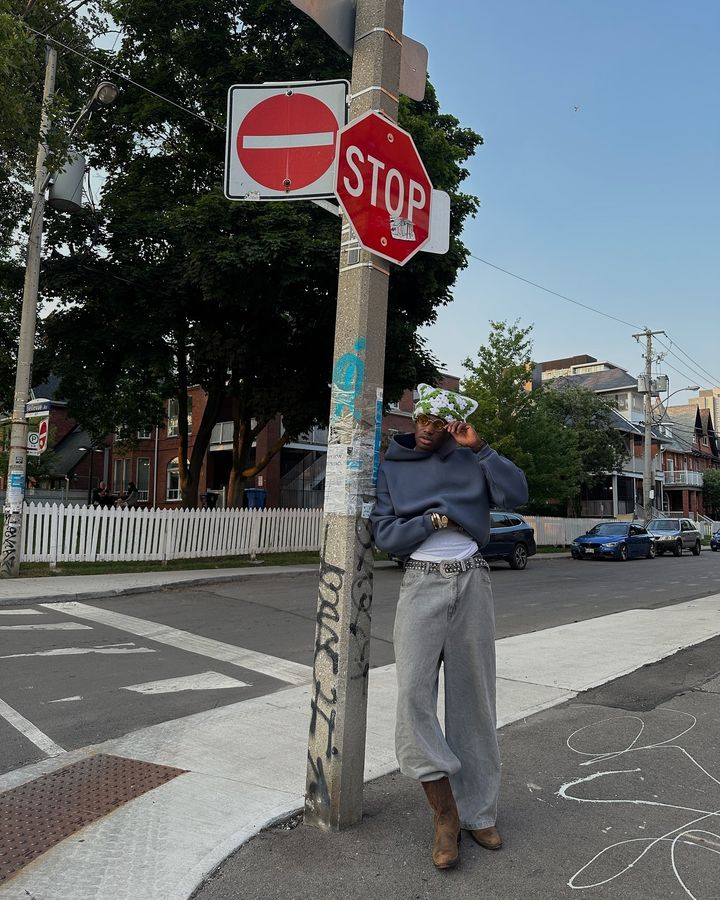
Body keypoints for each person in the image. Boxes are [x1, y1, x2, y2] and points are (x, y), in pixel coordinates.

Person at [370, 383, 528, 871]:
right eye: (421, 419)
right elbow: (383, 532)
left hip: (473, 580)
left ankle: (479, 812)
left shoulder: (470, 458)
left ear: (452, 425)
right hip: (421, 581)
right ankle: (444, 810)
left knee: (473, 700)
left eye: (438, 423)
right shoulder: (392, 466)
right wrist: (433, 522)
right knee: (413, 696)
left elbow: (516, 494)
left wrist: (479, 446)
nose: (426, 429)